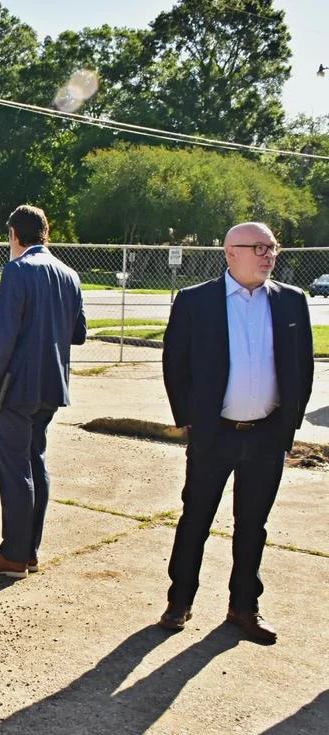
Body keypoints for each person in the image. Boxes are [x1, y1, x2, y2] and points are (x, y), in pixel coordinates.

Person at [158, 222, 313, 643]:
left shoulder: (291, 302)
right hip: (215, 434)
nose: (268, 255)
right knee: (196, 520)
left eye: (272, 248)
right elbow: (176, 364)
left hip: (266, 436)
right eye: (259, 247)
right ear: (230, 253)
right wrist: (190, 420)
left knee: (253, 526)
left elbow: (302, 367)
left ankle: (244, 607)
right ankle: (180, 600)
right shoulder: (196, 301)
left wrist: (288, 425)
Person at [0, 205, 85, 579]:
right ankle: (29, 551)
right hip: (52, 385)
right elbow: (78, 334)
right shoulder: (70, 274)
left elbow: (4, 336)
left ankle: (14, 556)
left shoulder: (18, 269)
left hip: (16, 388)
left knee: (15, 470)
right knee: (36, 463)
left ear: (14, 234)